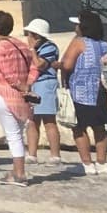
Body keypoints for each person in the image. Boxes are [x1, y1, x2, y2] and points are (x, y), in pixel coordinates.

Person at [60, 11, 107, 175]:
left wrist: (57, 65)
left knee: (79, 128)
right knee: (100, 128)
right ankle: (102, 162)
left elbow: (67, 65)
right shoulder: (104, 44)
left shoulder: (78, 42)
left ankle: (87, 163)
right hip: (99, 91)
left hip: (80, 91)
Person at [0, 11, 37, 185]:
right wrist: (28, 84)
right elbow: (35, 67)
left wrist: (19, 85)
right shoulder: (22, 45)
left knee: (13, 136)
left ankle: (20, 173)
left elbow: (6, 72)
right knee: (18, 134)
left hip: (5, 94)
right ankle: (16, 171)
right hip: (22, 97)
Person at [23, 19, 64, 164]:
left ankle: (55, 155)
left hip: (45, 84)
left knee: (49, 121)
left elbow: (40, 65)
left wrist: (33, 50)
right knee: (32, 121)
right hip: (33, 85)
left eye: (30, 34)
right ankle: (32, 154)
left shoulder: (49, 48)